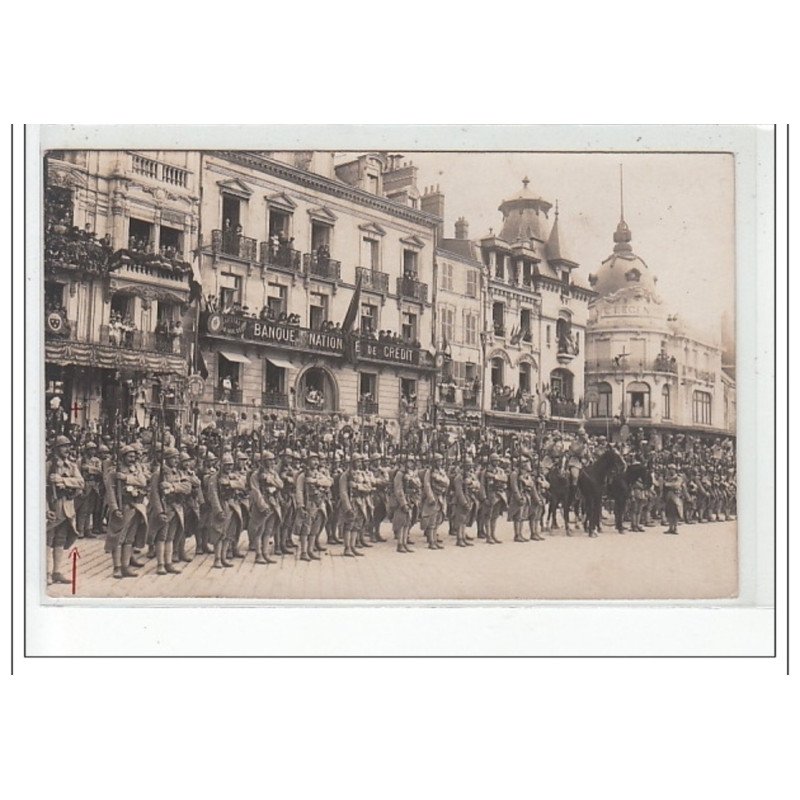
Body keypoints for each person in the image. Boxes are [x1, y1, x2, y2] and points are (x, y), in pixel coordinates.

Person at [104, 444, 148, 579]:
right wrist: (114, 508)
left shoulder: (136, 469)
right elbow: (110, 492)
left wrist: (126, 478)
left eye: (134, 456)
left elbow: (143, 482)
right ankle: (117, 567)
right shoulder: (113, 472)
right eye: (129, 456)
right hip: (122, 507)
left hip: (136, 506)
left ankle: (125, 566)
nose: (132, 459)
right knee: (118, 538)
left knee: (129, 539)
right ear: (123, 457)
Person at [46, 435, 86, 584]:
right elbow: (39, 489)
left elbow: (81, 483)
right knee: (48, 539)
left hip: (67, 507)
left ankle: (56, 571)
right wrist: (45, 509)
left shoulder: (71, 466)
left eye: (68, 446)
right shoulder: (48, 465)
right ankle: (46, 572)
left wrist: (63, 480)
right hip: (53, 506)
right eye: (64, 446)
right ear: (56, 449)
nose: (67, 449)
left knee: (60, 539)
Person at [392, 454, 421, 554]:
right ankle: (400, 544)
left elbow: (418, 485)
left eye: (412, 462)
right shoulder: (400, 474)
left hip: (411, 499)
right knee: (401, 522)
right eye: (409, 462)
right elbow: (398, 489)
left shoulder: (412, 473)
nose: (410, 464)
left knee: (407, 523)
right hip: (402, 500)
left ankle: (404, 543)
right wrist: (403, 503)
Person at [419, 453, 449, 549]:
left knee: (438, 519)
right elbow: (427, 485)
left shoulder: (441, 471)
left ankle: (435, 540)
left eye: (441, 460)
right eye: (438, 461)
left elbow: (447, 482)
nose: (440, 462)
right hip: (433, 497)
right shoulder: (429, 472)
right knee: (431, 520)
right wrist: (430, 497)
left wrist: (439, 479)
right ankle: (431, 541)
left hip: (440, 496)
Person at [662, 463, 684, 535]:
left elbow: (677, 485)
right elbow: (663, 484)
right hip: (668, 495)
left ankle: (675, 527)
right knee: (669, 512)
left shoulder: (678, 477)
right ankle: (670, 527)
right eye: (669, 469)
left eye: (672, 469)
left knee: (676, 511)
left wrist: (668, 484)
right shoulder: (667, 477)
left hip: (676, 495)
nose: (670, 470)